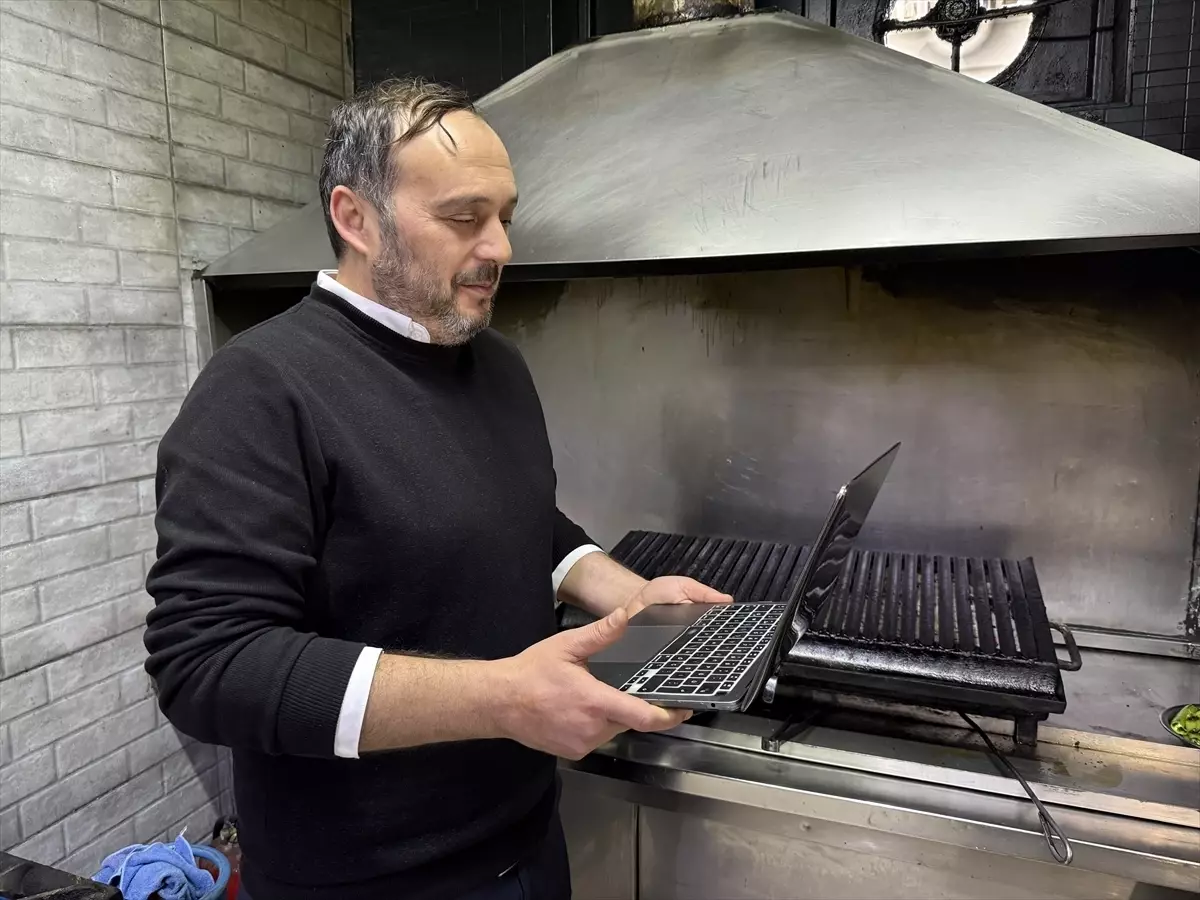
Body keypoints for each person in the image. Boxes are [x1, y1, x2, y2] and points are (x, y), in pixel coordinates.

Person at [143, 77, 732, 900]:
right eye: (463, 218)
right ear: (355, 218)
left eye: (505, 217)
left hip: (527, 839)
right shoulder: (260, 389)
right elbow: (207, 664)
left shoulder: (494, 363)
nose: (498, 249)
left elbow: (521, 518)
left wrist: (632, 600)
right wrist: (504, 699)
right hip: (369, 880)